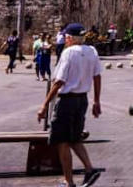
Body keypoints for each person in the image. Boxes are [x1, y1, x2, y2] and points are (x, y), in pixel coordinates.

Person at [37, 23, 103, 187]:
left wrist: (44, 105)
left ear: (70, 38)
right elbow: (97, 76)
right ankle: (89, 168)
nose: (65, 39)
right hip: (83, 100)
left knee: (62, 141)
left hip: (67, 100)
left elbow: (59, 81)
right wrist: (96, 101)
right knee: (74, 138)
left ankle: (69, 181)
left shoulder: (68, 53)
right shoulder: (92, 51)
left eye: (66, 36)